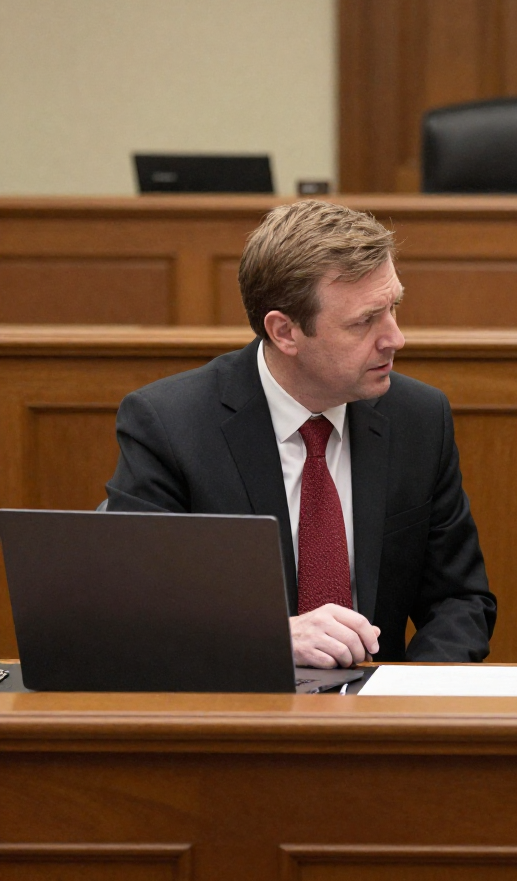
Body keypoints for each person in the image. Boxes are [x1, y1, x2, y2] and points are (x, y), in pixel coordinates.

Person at [107, 199, 495, 667]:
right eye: (364, 321)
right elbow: (133, 607)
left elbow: (459, 601)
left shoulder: (418, 417)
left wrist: (407, 703)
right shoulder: (170, 424)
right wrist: (271, 635)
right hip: (235, 713)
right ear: (285, 332)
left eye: (393, 308)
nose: (395, 338)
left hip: (377, 720)